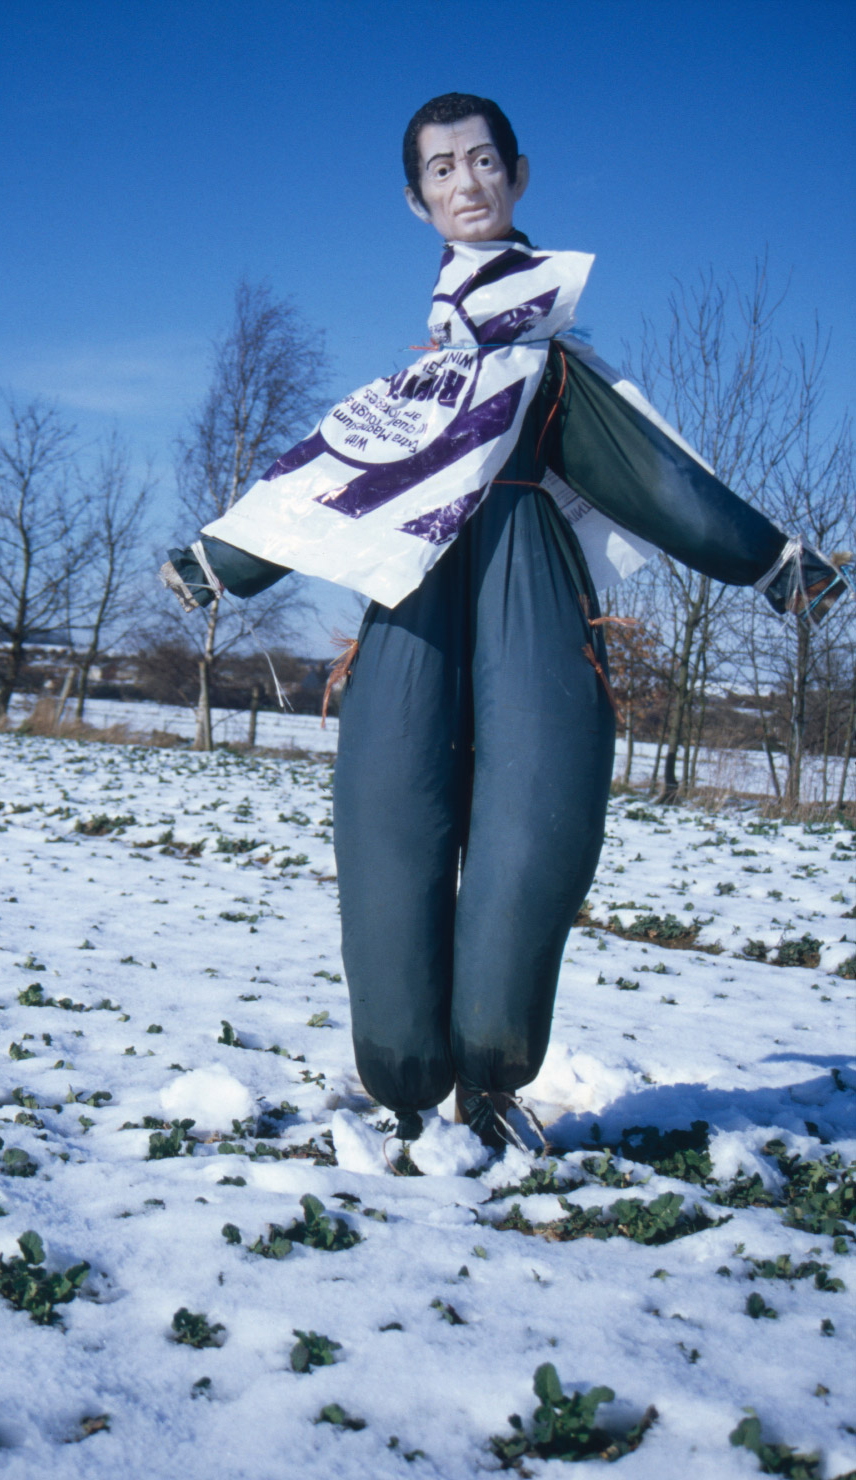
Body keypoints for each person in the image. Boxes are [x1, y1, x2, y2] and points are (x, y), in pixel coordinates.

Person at [162, 93, 851, 1155]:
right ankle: (401, 1080)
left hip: (530, 593)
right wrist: (221, 560)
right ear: (416, 200)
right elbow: (325, 479)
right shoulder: (416, 380)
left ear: (518, 176)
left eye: (483, 162)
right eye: (442, 171)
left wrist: (772, 562)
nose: (466, 183)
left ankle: (491, 1075)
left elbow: (657, 477)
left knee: (535, 830)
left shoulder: (553, 365)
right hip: (414, 602)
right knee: (390, 817)